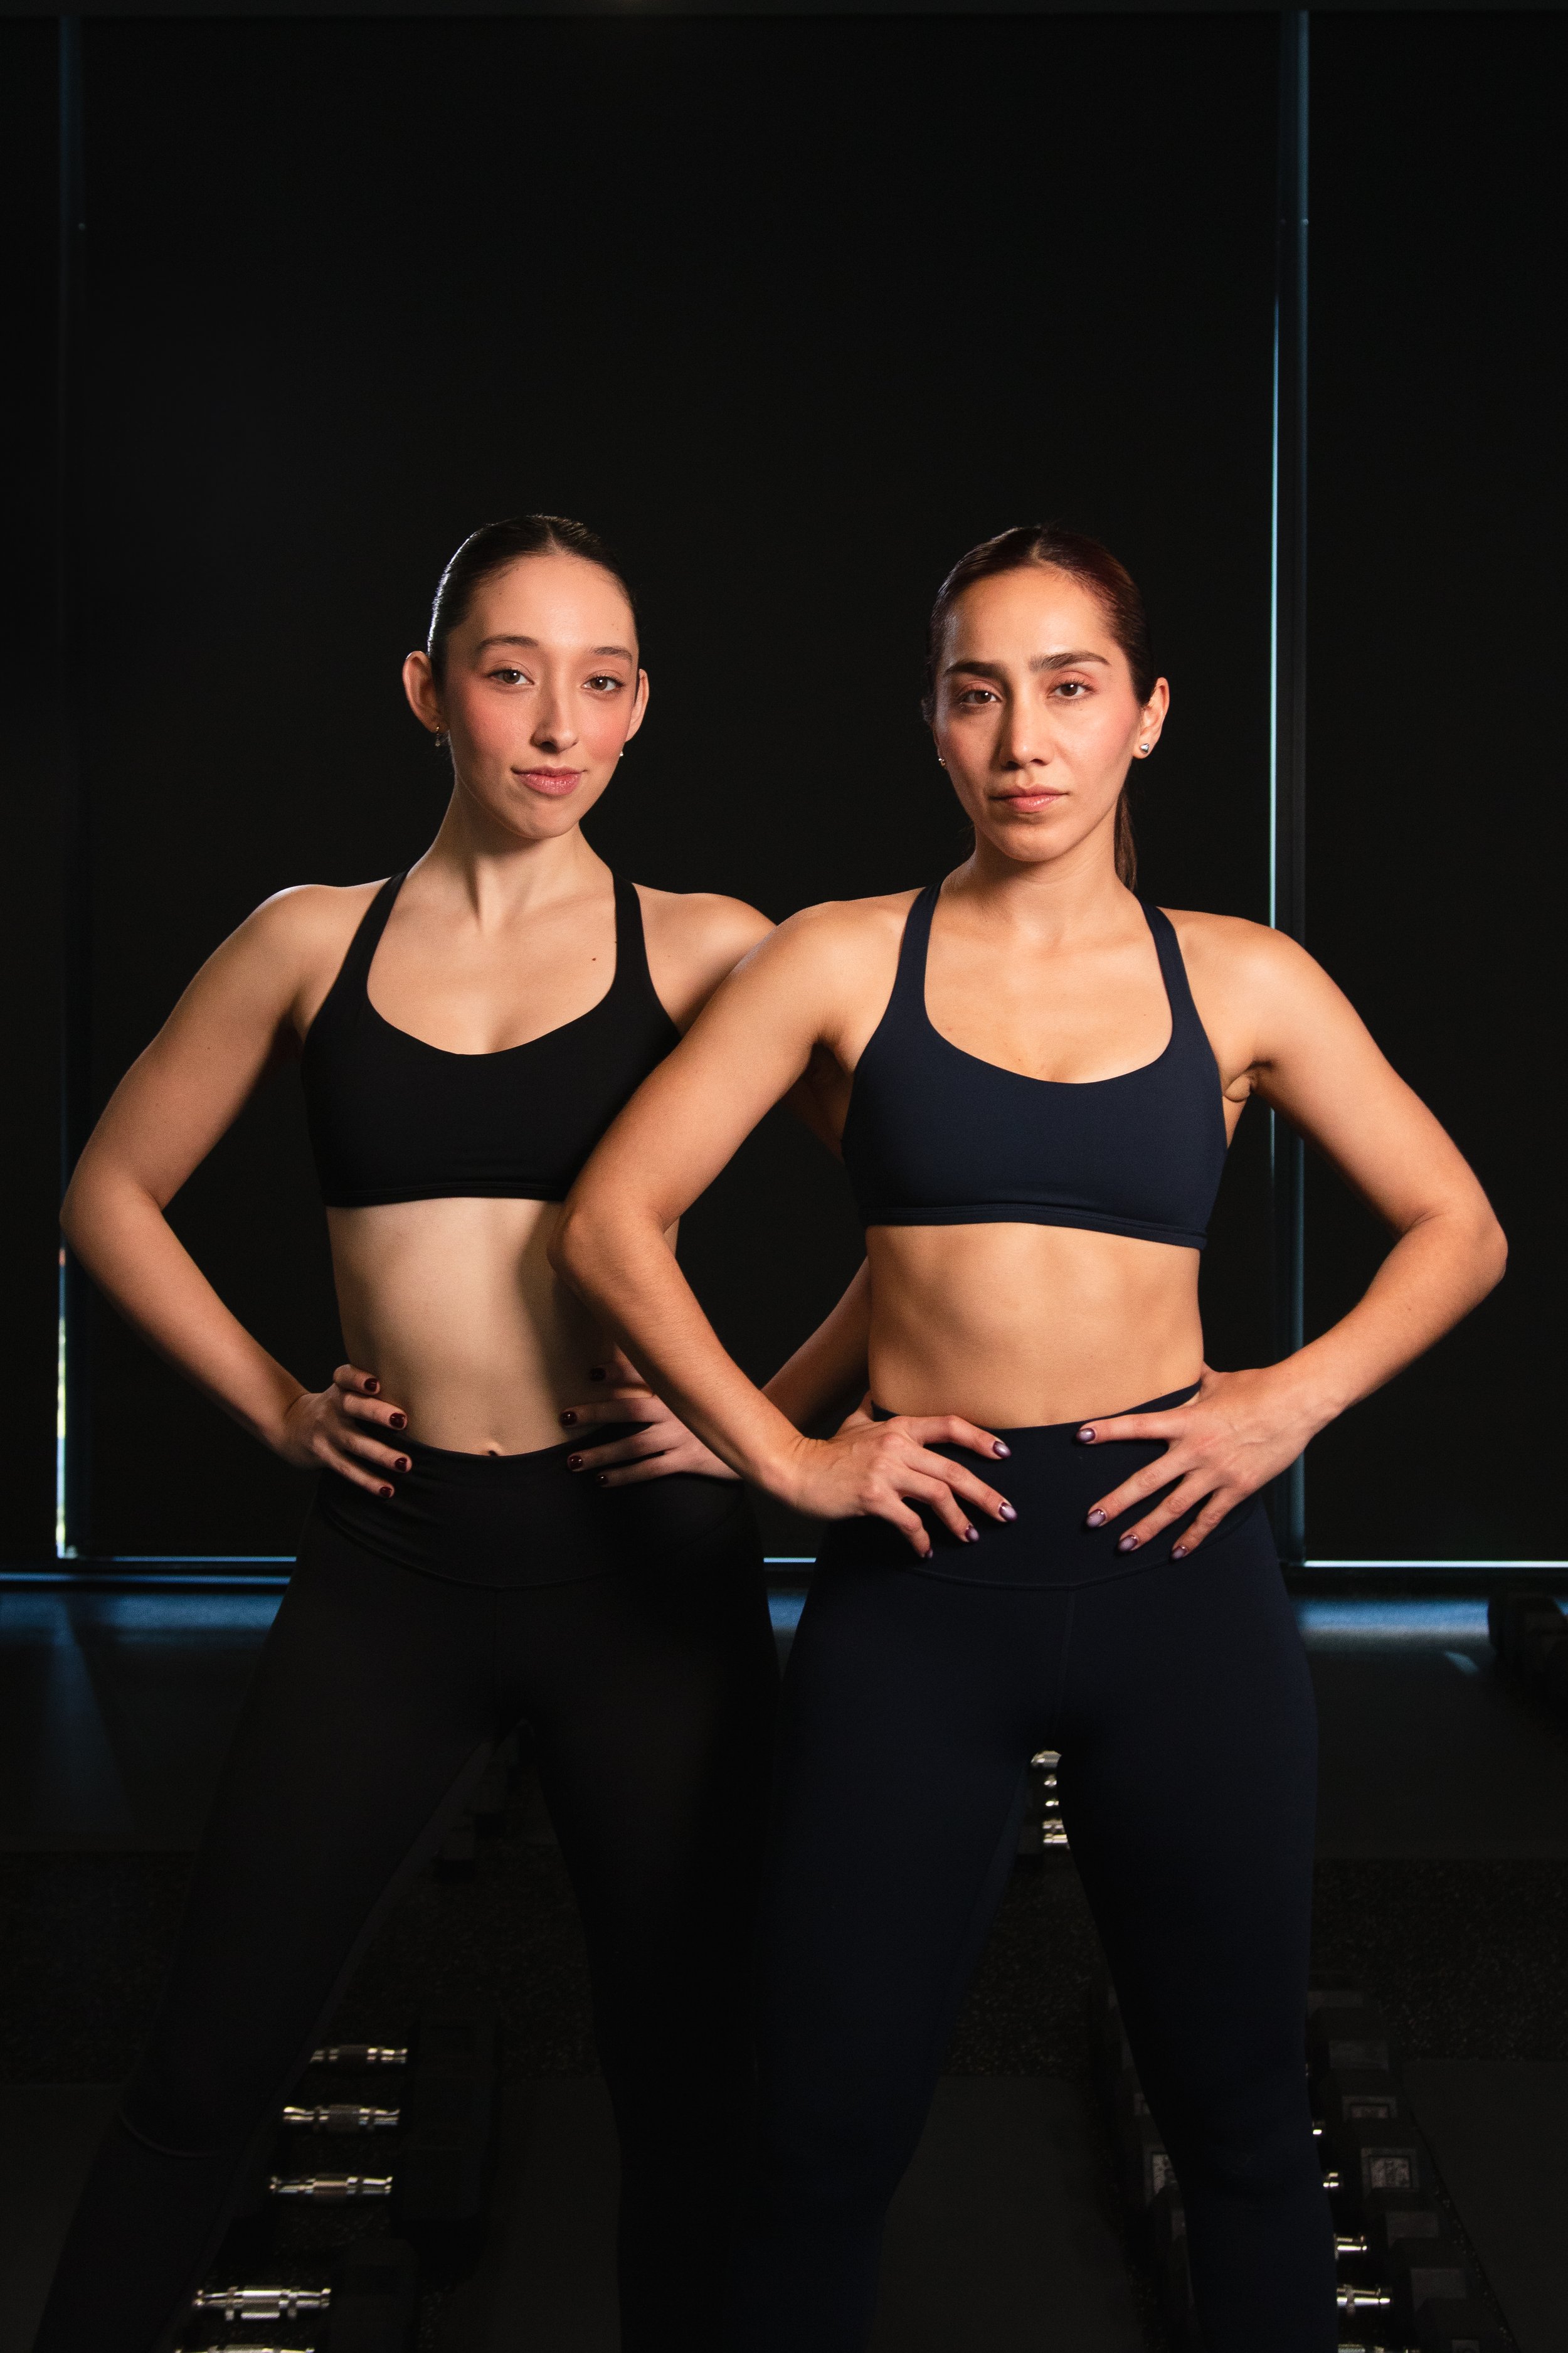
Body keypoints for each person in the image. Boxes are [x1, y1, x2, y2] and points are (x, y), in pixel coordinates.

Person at [552, 523, 1507, 2353]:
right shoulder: (836, 961)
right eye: (977, 693)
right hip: (920, 1589)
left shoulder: (1244, 979)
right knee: (821, 2139)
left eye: (1069, 691)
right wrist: (788, 1460)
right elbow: (612, 1221)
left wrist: (1283, 1404)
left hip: (1177, 1579)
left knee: (1239, 2128)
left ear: (1145, 716)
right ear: (931, 721)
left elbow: (1458, 1228)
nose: (1023, 740)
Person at [41, 516, 787, 2353]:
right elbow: (110, 1195)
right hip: (396, 1570)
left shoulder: (709, 952)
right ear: (427, 689)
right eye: (509, 670)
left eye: (598, 679)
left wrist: (767, 1438)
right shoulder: (307, 941)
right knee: (211, 2059)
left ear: (638, 712)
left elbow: (950, 1215)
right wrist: (282, 1410)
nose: (555, 720)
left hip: (644, 1584)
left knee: (689, 2090)